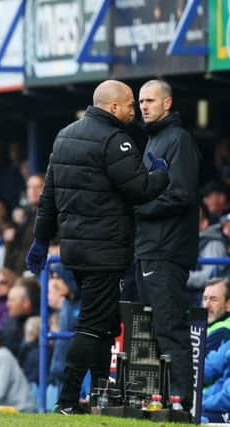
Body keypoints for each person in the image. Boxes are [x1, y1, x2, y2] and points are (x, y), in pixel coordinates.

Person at [26, 80, 170, 414]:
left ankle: (101, 396)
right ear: (113, 107)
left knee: (104, 323)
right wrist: (161, 174)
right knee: (92, 324)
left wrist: (41, 240)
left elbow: (48, 197)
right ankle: (66, 401)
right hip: (104, 250)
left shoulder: (64, 136)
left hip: (74, 251)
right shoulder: (115, 140)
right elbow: (140, 188)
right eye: (131, 105)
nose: (135, 111)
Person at [134, 79, 202, 412]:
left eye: (150, 100)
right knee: (148, 329)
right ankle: (158, 397)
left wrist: (138, 209)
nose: (143, 106)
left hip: (167, 250)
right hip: (148, 249)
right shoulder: (152, 140)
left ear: (167, 103)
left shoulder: (178, 140)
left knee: (169, 327)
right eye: (140, 100)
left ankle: (181, 402)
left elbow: (181, 194)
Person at [203, 278, 230, 356]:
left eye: (213, 299)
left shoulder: (223, 331)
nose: (206, 305)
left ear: (228, 305)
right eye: (205, 299)